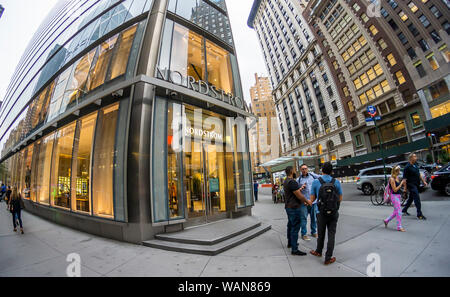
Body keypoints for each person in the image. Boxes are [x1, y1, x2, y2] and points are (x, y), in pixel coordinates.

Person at [309, 162, 343, 265]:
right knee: (331, 234)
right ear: (332, 171)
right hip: (333, 213)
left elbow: (312, 199)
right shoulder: (336, 182)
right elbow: (340, 198)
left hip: (320, 213)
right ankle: (328, 258)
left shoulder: (315, 182)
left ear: (322, 170)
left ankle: (318, 251)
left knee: (321, 233)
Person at [284, 166, 312, 256]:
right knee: (295, 228)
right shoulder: (292, 182)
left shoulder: (286, 181)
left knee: (290, 225)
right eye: (294, 170)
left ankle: (290, 243)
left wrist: (299, 189)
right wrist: (307, 201)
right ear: (292, 171)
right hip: (294, 208)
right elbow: (299, 196)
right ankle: (294, 249)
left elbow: (294, 192)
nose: (296, 171)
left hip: (289, 207)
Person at [297, 164, 320, 241]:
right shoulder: (298, 180)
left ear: (308, 169)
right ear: (300, 170)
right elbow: (296, 191)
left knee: (314, 218)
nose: (304, 170)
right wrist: (301, 187)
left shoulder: (312, 176)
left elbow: (321, 178)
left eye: (305, 168)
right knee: (303, 218)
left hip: (313, 202)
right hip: (304, 203)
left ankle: (314, 232)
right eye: (302, 169)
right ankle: (304, 234)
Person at [402, 153, 428, 220]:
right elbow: (404, 179)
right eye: (415, 156)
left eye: (416, 156)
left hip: (416, 184)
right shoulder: (407, 167)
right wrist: (405, 189)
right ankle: (419, 214)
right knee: (417, 199)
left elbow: (418, 174)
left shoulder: (415, 165)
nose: (416, 157)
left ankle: (404, 210)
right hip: (411, 185)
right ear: (411, 158)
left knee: (411, 198)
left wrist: (424, 181)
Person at [383, 166, 407, 232]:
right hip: (394, 197)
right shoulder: (392, 179)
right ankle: (399, 227)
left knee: (396, 212)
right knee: (399, 212)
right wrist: (401, 183)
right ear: (395, 171)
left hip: (398, 196)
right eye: (398, 170)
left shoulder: (397, 177)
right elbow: (395, 189)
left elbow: (398, 188)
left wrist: (403, 189)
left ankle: (386, 220)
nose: (399, 171)